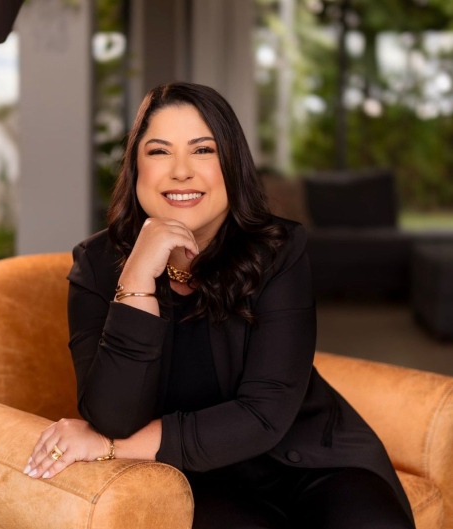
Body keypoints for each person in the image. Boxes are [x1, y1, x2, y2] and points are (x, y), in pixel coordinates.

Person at [24, 82, 415, 528]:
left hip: (309, 463)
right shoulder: (97, 265)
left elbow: (263, 415)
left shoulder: (278, 250)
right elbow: (113, 415)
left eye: (203, 150)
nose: (181, 172)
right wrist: (136, 281)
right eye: (159, 152)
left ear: (232, 164)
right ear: (136, 169)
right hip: (197, 479)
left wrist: (111, 448)